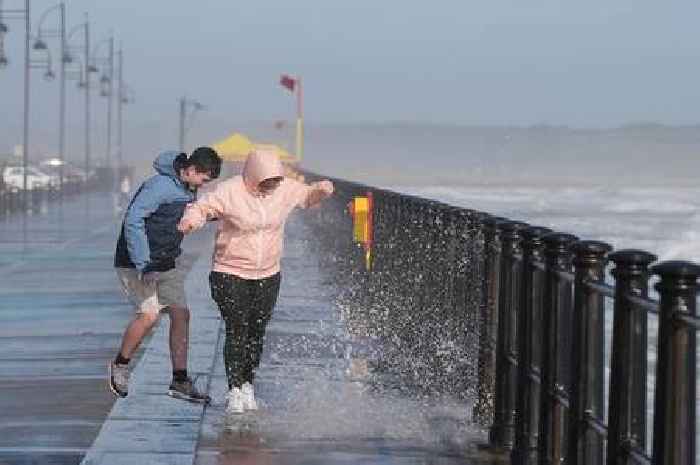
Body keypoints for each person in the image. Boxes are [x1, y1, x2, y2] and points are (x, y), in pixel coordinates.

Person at [178, 149, 334, 414]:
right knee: (237, 328)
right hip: (230, 272)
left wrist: (321, 190)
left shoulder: (283, 189)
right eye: (267, 181)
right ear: (254, 176)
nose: (272, 185)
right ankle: (235, 389)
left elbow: (306, 197)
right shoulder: (231, 190)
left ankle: (248, 383)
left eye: (276, 180)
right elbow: (203, 207)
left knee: (256, 332)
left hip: (268, 274)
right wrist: (191, 220)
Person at [109, 147, 222, 403]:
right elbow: (133, 220)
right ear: (191, 170)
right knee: (149, 315)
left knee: (181, 314)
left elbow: (187, 215)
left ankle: (179, 381)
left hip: (165, 261)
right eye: (204, 179)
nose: (204, 185)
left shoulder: (187, 187)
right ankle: (120, 364)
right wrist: (143, 263)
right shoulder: (160, 186)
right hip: (137, 262)